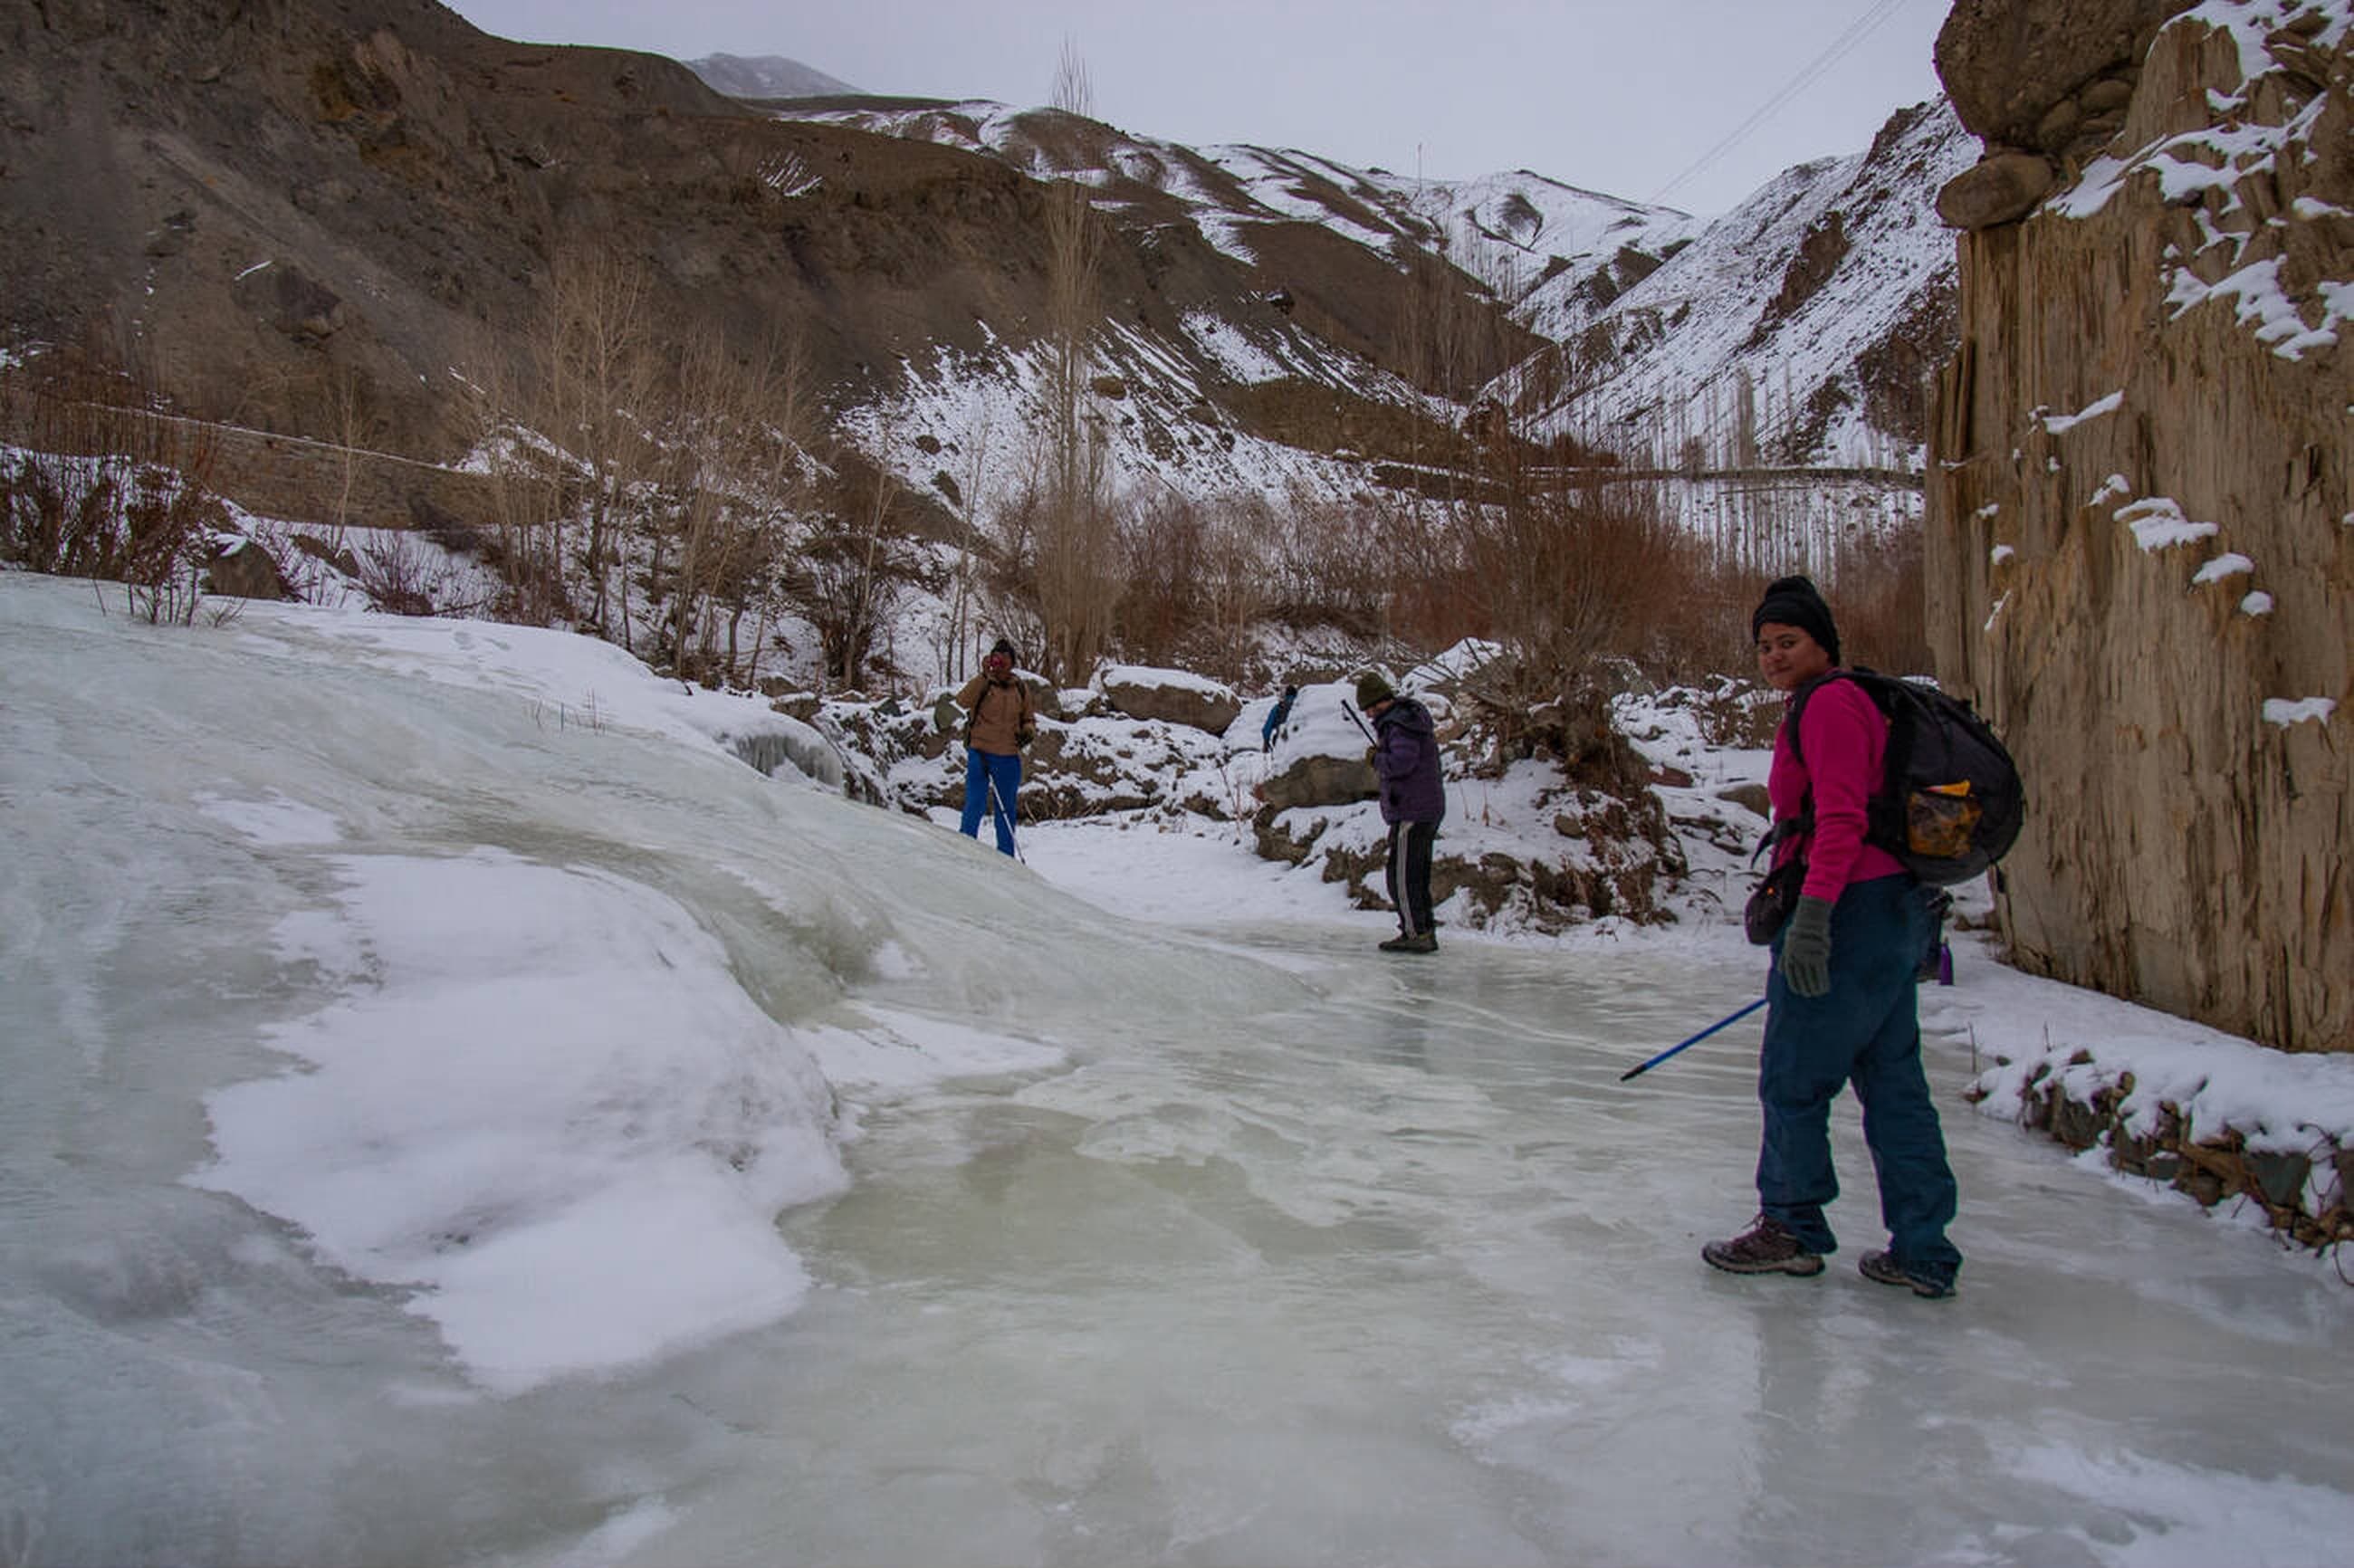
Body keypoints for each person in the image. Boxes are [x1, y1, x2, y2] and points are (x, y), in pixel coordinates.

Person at [1703, 576, 1964, 1298]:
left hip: (1850, 906)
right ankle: (1922, 1247)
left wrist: (1813, 919)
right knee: (1894, 1083)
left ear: (1823, 644)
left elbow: (1842, 820)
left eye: (1788, 642)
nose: (1774, 656)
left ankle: (1791, 1225)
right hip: (1886, 909)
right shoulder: (1839, 701)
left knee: (1794, 1074)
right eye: (1764, 645)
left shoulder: (1831, 705)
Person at [1358, 671, 1444, 954]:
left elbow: (1401, 763)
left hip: (1413, 809)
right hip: (1419, 807)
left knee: (1403, 878)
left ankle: (1416, 933)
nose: (1370, 715)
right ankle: (1420, 929)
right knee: (1412, 875)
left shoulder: (1400, 725)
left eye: (1371, 709)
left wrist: (1376, 758)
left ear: (1382, 701)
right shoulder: (1405, 720)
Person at [954, 636, 1035, 856]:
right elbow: (962, 701)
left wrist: (1028, 731)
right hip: (980, 752)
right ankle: (964, 849)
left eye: (1004, 659)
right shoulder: (984, 682)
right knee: (975, 803)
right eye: (996, 658)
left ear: (1012, 662)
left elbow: (1028, 717)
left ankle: (1005, 857)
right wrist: (983, 674)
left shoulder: (1020, 688)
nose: (999, 663)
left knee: (1006, 810)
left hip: (1008, 755)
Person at [1261, 684, 1299, 752]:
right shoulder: (1300, 704)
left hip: (1282, 741)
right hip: (1299, 740)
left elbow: (1267, 728)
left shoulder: (1279, 707)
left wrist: (1266, 742)